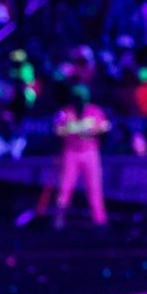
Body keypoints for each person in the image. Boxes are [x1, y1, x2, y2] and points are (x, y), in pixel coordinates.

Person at [53, 84, 110, 229]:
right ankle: (59, 222)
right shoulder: (65, 112)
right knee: (65, 188)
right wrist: (71, 129)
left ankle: (99, 221)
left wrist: (94, 130)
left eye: (82, 99)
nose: (79, 102)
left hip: (90, 152)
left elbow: (106, 126)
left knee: (94, 187)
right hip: (70, 152)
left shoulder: (94, 111)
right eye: (77, 99)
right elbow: (57, 130)